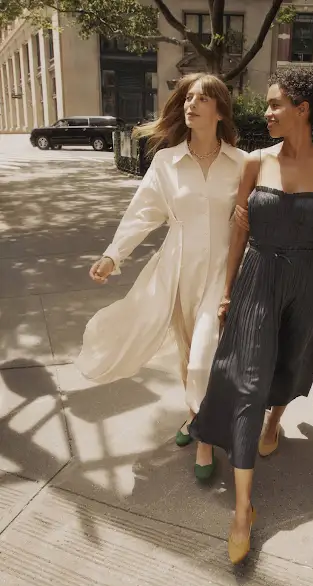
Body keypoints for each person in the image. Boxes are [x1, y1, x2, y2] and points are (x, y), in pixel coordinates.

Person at [189, 65, 313, 564]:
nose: (267, 112)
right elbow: (239, 231)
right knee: (248, 380)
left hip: (306, 284)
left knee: (291, 366)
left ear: (303, 109)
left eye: (277, 104)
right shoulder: (255, 162)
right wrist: (228, 290)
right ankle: (241, 513)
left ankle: (275, 423)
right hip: (258, 278)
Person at [75, 73, 246, 477]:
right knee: (188, 354)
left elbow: (255, 215)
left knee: (206, 354)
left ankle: (205, 442)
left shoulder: (241, 162)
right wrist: (112, 255)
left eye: (202, 99)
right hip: (178, 268)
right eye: (187, 98)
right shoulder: (167, 161)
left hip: (223, 271)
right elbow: (144, 213)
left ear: (219, 109)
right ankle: (193, 415)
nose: (191, 104)